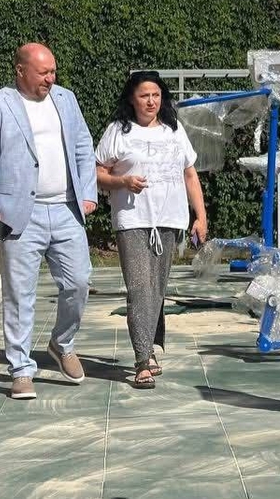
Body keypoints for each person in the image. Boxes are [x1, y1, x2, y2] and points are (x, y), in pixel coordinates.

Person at [0, 43, 97, 400]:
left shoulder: (66, 99)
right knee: (19, 294)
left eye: (53, 71)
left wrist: (88, 191)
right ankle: (21, 370)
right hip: (18, 215)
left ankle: (62, 343)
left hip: (67, 210)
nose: (50, 78)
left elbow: (83, 146)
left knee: (79, 282)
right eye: (43, 72)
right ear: (20, 71)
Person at [95, 71, 207, 389]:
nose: (151, 101)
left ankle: (151, 347)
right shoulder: (118, 131)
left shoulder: (174, 130)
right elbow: (97, 172)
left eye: (156, 95)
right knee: (139, 288)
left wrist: (200, 216)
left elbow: (190, 174)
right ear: (132, 98)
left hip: (169, 219)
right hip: (132, 220)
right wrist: (122, 181)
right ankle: (142, 361)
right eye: (144, 95)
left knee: (156, 288)